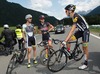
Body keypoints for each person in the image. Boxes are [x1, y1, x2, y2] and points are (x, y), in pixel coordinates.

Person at [62, 4, 90, 70]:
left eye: (66, 11)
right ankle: (69, 52)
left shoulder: (76, 16)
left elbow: (72, 30)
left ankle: (85, 63)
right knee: (69, 40)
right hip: (80, 31)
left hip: (85, 31)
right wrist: (66, 40)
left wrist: (64, 41)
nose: (65, 12)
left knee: (84, 47)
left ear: (70, 11)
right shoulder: (73, 16)